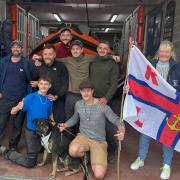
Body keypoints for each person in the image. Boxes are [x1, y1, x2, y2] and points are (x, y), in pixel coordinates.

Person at [130, 40, 180, 180]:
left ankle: (166, 165)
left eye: (167, 51)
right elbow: (139, 79)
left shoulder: (177, 67)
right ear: (158, 52)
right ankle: (141, 158)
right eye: (162, 51)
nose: (164, 54)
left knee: (167, 135)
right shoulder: (150, 64)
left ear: (171, 53)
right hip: (151, 105)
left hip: (169, 108)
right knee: (145, 132)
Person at [58, 80, 125, 179]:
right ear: (80, 92)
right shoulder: (78, 104)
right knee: (73, 150)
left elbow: (117, 120)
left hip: (98, 141)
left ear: (92, 91)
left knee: (99, 175)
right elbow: (75, 118)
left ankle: (93, 156)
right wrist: (65, 125)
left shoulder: (102, 105)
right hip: (83, 137)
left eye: (88, 91)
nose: (86, 93)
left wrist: (122, 131)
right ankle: (86, 156)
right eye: (83, 91)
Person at [4, 76, 53, 168]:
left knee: (40, 150)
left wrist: (55, 123)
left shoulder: (49, 100)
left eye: (46, 84)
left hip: (43, 132)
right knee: (30, 163)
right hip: (31, 131)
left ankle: (34, 151)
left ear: (49, 86)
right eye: (41, 83)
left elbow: (50, 114)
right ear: (38, 84)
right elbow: (12, 112)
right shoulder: (31, 97)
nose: (43, 86)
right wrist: (19, 106)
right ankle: (9, 153)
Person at [0, 40, 36, 153]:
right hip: (6, 97)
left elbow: (33, 78)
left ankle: (13, 146)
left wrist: (27, 97)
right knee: (1, 122)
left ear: (22, 49)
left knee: (17, 124)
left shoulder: (27, 63)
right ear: (11, 49)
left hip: (21, 99)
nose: (16, 49)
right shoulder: (4, 61)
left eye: (18, 47)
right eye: (14, 47)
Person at [90, 40, 119, 163]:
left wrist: (106, 98)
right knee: (94, 126)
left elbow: (114, 84)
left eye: (105, 48)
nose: (102, 50)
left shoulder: (113, 64)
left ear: (109, 50)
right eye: (100, 48)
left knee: (108, 127)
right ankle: (96, 149)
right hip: (93, 99)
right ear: (97, 49)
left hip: (107, 99)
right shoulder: (92, 61)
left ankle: (112, 150)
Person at [31, 44, 69, 124]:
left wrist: (56, 96)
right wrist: (34, 64)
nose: (47, 56)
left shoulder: (61, 66)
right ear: (42, 55)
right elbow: (33, 80)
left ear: (54, 55)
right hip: (42, 100)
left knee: (58, 123)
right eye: (45, 54)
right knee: (41, 124)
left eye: (50, 54)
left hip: (57, 101)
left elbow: (65, 85)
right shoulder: (39, 65)